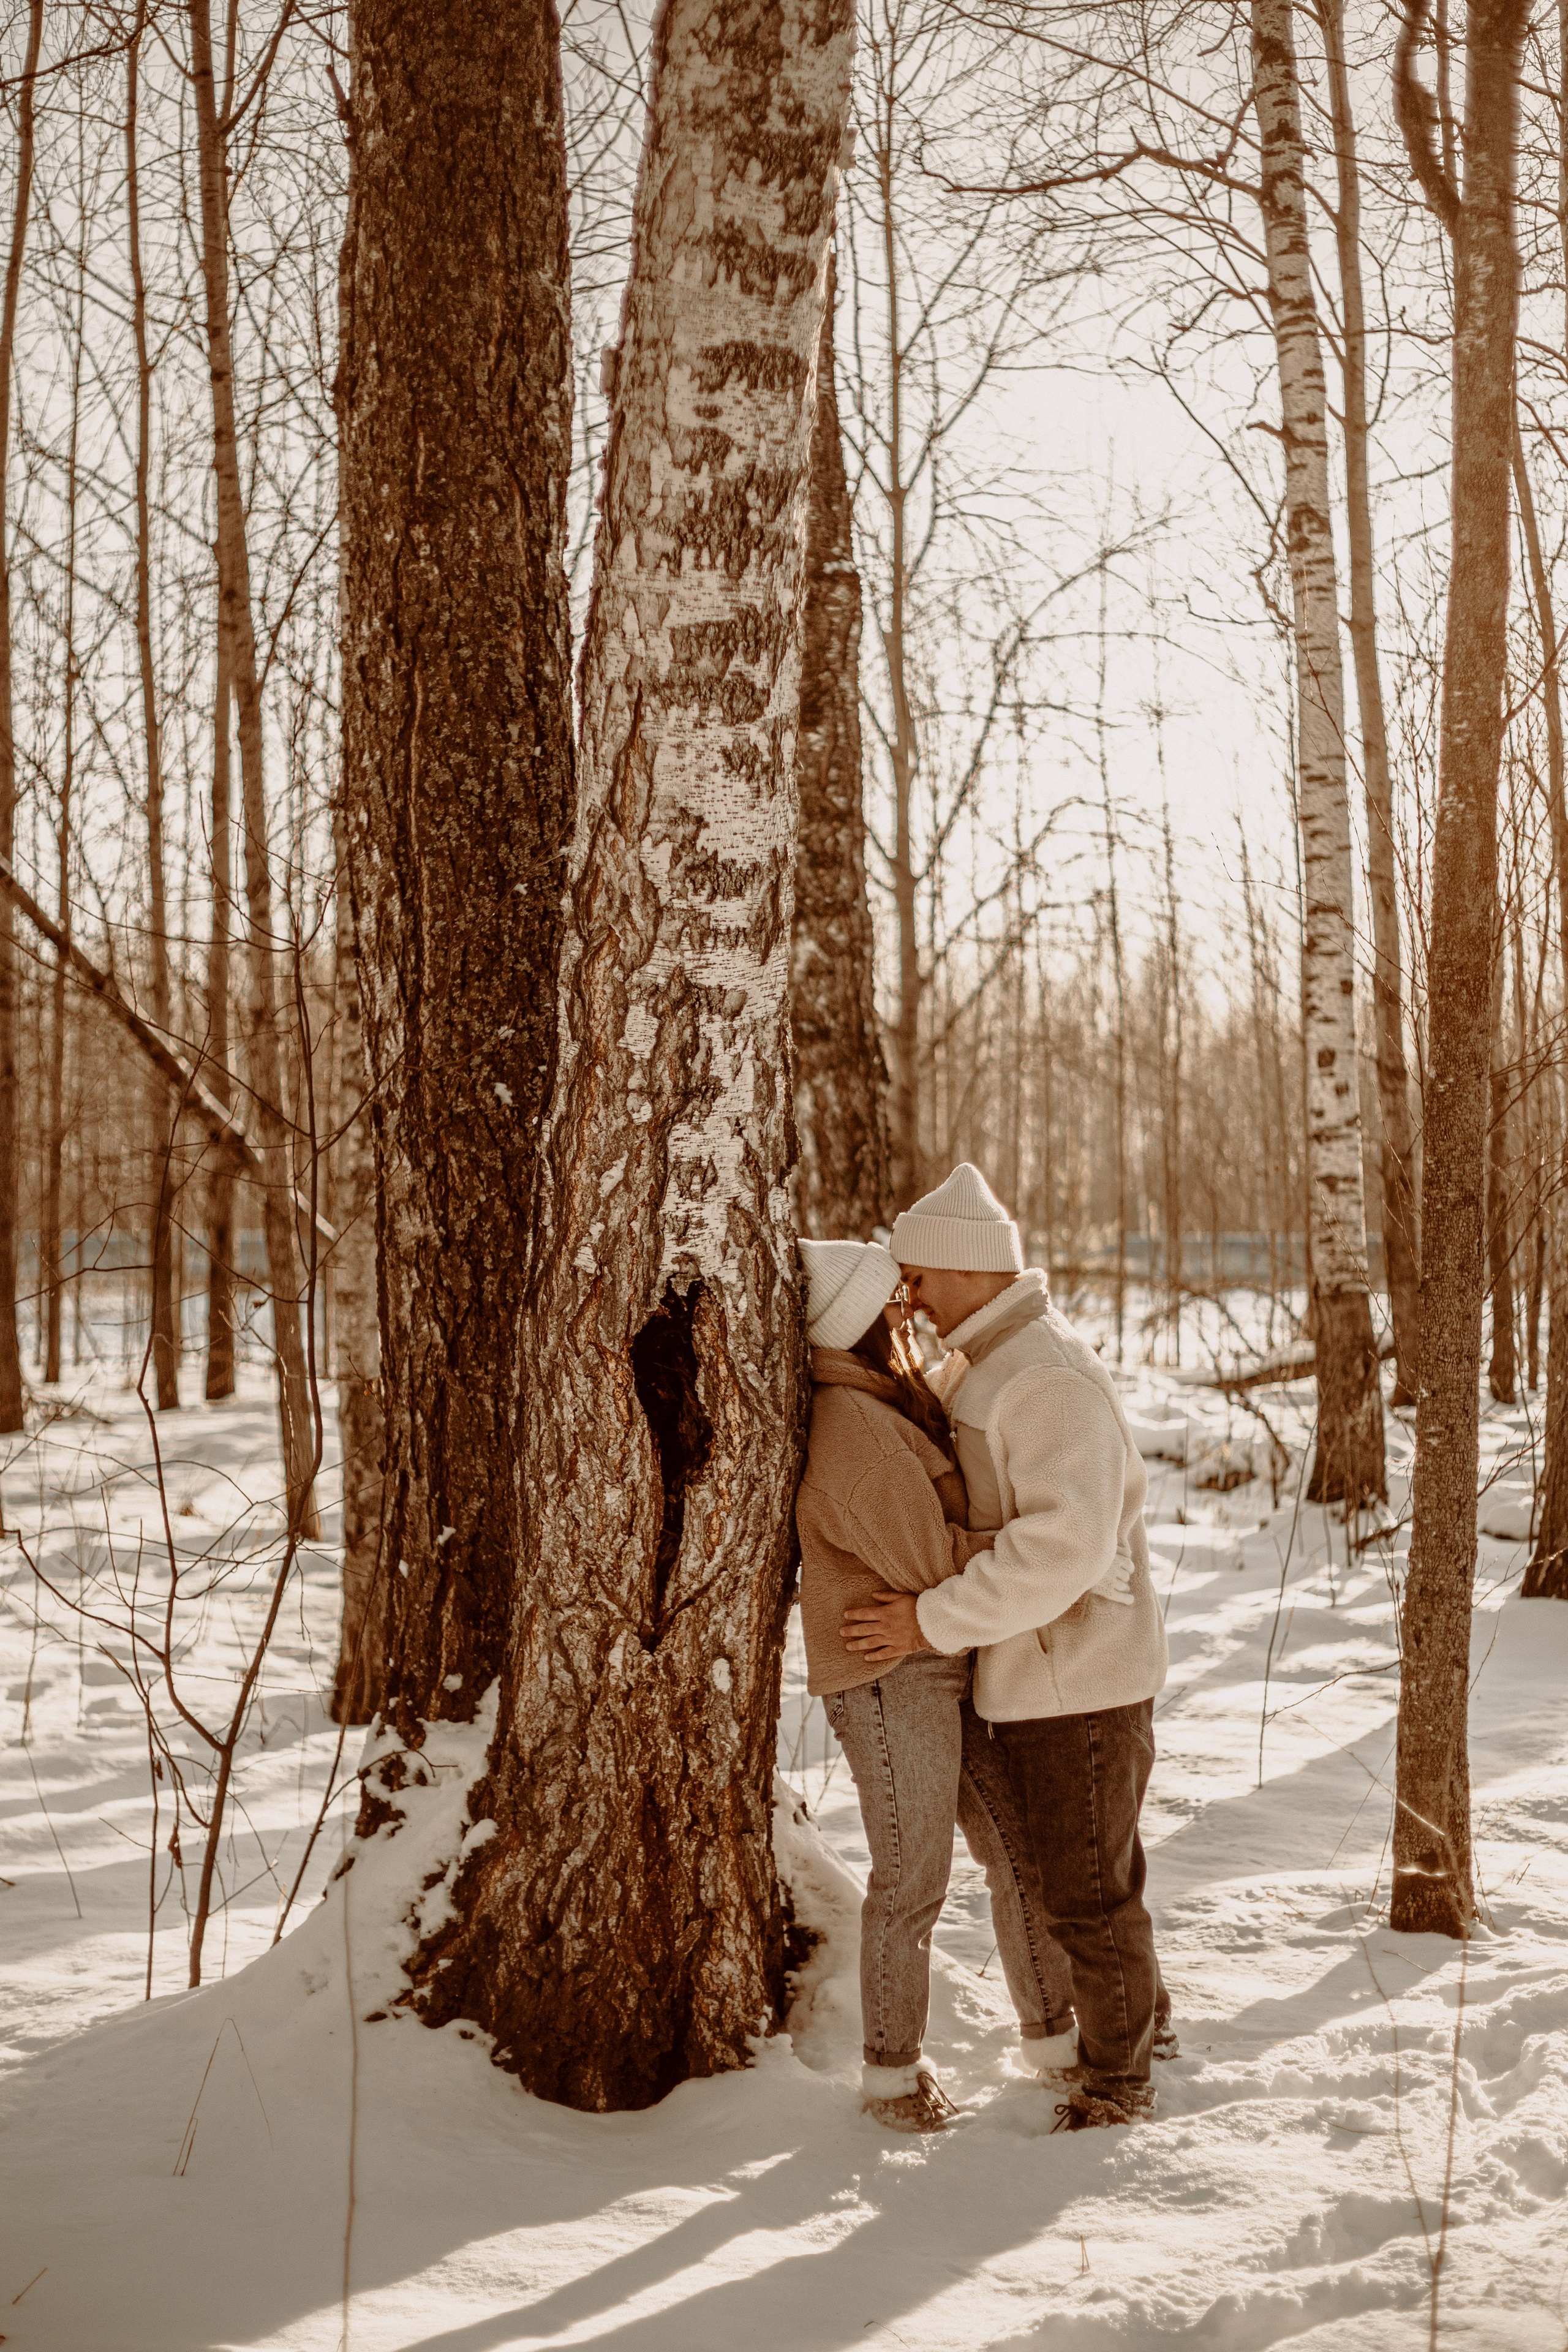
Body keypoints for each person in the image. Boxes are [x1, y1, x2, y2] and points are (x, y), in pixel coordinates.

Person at [842, 1166, 1171, 2131]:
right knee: (1087, 1879)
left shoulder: (1044, 1377)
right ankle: (1142, 2031)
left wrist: (929, 1619)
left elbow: (1061, 1547)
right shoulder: (1002, 1361)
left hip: (1082, 1685)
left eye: (919, 1277)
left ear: (970, 1269)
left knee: (1090, 1895)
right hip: (1045, 1679)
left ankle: (1118, 2083)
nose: (911, 1297)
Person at [795, 1236, 1078, 2135]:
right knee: (914, 1876)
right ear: (866, 1322)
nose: (912, 1311)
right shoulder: (854, 1425)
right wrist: (1028, 1548)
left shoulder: (889, 1401)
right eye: (896, 1302)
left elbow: (934, 1570)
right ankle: (890, 2076)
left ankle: (1058, 2038)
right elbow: (925, 1563)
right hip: (887, 1676)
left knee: (1016, 1854)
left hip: (938, 1663)